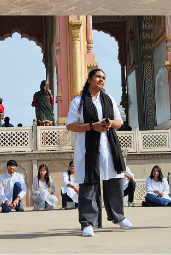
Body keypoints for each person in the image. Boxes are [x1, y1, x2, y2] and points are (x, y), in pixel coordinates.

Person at [65, 68, 132, 236]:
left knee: (114, 182)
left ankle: (119, 217)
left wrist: (109, 124)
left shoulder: (108, 99)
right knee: (88, 185)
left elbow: (119, 122)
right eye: (98, 76)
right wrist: (91, 126)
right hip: (88, 150)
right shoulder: (78, 102)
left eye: (103, 77)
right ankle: (88, 223)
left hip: (109, 147)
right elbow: (70, 125)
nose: (101, 79)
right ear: (89, 79)